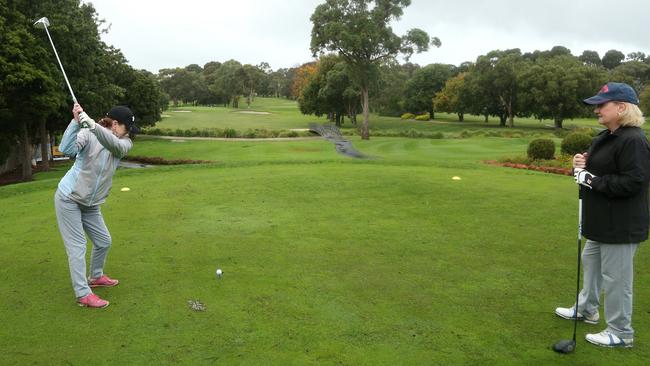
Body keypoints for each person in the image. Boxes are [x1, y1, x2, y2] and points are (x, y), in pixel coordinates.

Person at [555, 82, 650, 348]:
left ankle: (621, 332)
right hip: (600, 220)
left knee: (616, 279)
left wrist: (592, 180)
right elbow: (594, 172)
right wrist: (581, 166)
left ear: (621, 107)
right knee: (592, 263)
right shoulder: (605, 137)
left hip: (620, 224)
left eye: (602, 105)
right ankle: (588, 309)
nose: (597, 109)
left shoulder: (633, 140)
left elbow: (634, 182)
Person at [55, 104, 138, 308]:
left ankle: (96, 276)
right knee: (78, 247)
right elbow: (66, 149)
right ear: (116, 124)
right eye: (128, 128)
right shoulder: (88, 133)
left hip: (91, 203)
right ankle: (83, 293)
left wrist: (91, 124)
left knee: (103, 241)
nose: (130, 133)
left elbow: (111, 143)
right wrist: (76, 123)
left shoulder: (124, 143)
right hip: (69, 198)